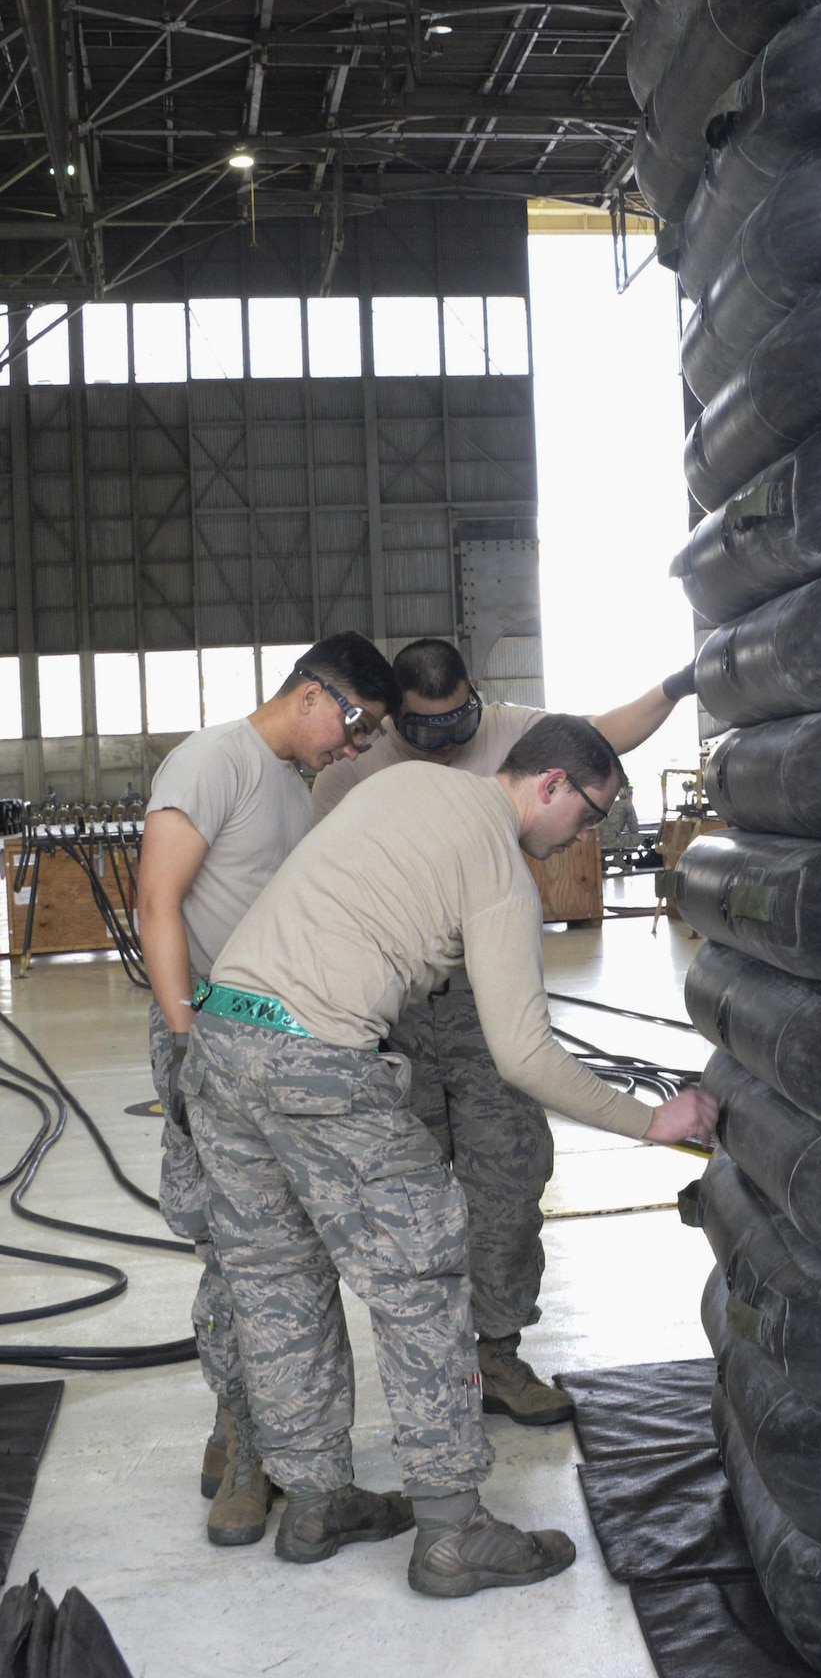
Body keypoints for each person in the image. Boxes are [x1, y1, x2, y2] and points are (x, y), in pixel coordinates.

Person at [182, 714, 718, 1593]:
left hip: (223, 1042)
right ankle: (452, 1532)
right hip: (316, 1059)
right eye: (589, 816)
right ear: (549, 784)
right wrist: (649, 1120)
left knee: (277, 1284)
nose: (584, 837)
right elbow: (525, 1055)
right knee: (423, 1271)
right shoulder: (500, 864)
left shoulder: (401, 788)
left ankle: (317, 1503)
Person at [310, 637, 696, 1426]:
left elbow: (605, 739)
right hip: (394, 1012)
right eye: (422, 728)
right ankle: (434, 1376)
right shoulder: (350, 769)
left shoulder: (517, 741)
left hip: (490, 996)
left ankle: (498, 1355)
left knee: (509, 1180)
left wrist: (681, 684)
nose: (444, 739)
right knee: (406, 1202)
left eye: (458, 720)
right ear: (393, 721)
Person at [136, 634, 401, 1546]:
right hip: (206, 1038)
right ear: (311, 692)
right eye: (354, 724)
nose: (352, 747)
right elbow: (156, 903)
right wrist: (181, 1044)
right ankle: (241, 1440)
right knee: (232, 1251)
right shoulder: (215, 759)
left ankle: (280, 1441)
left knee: (281, 1253)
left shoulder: (291, 791)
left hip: (274, 1053)